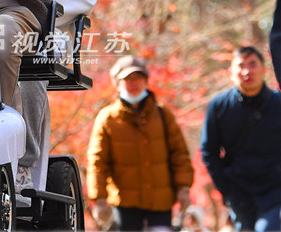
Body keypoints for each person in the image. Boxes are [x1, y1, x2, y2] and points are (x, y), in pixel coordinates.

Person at [16, 0, 101, 199]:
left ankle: (23, 163)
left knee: (32, 61)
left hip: (52, 30)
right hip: (1, 22)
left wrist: (43, 9)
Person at [87, 55, 195, 231]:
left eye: (138, 77)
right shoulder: (107, 119)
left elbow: (180, 154)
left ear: (146, 80)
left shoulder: (162, 114)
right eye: (127, 79)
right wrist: (98, 198)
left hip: (161, 202)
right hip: (125, 204)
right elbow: (97, 162)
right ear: (117, 83)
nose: (134, 83)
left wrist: (183, 187)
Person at [200, 46, 281, 232]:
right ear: (231, 72)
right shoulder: (219, 106)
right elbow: (208, 151)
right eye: (240, 65)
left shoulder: (278, 104)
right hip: (238, 191)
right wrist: (225, 187)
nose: (246, 71)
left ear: (264, 69)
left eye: (253, 64)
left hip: (275, 191)